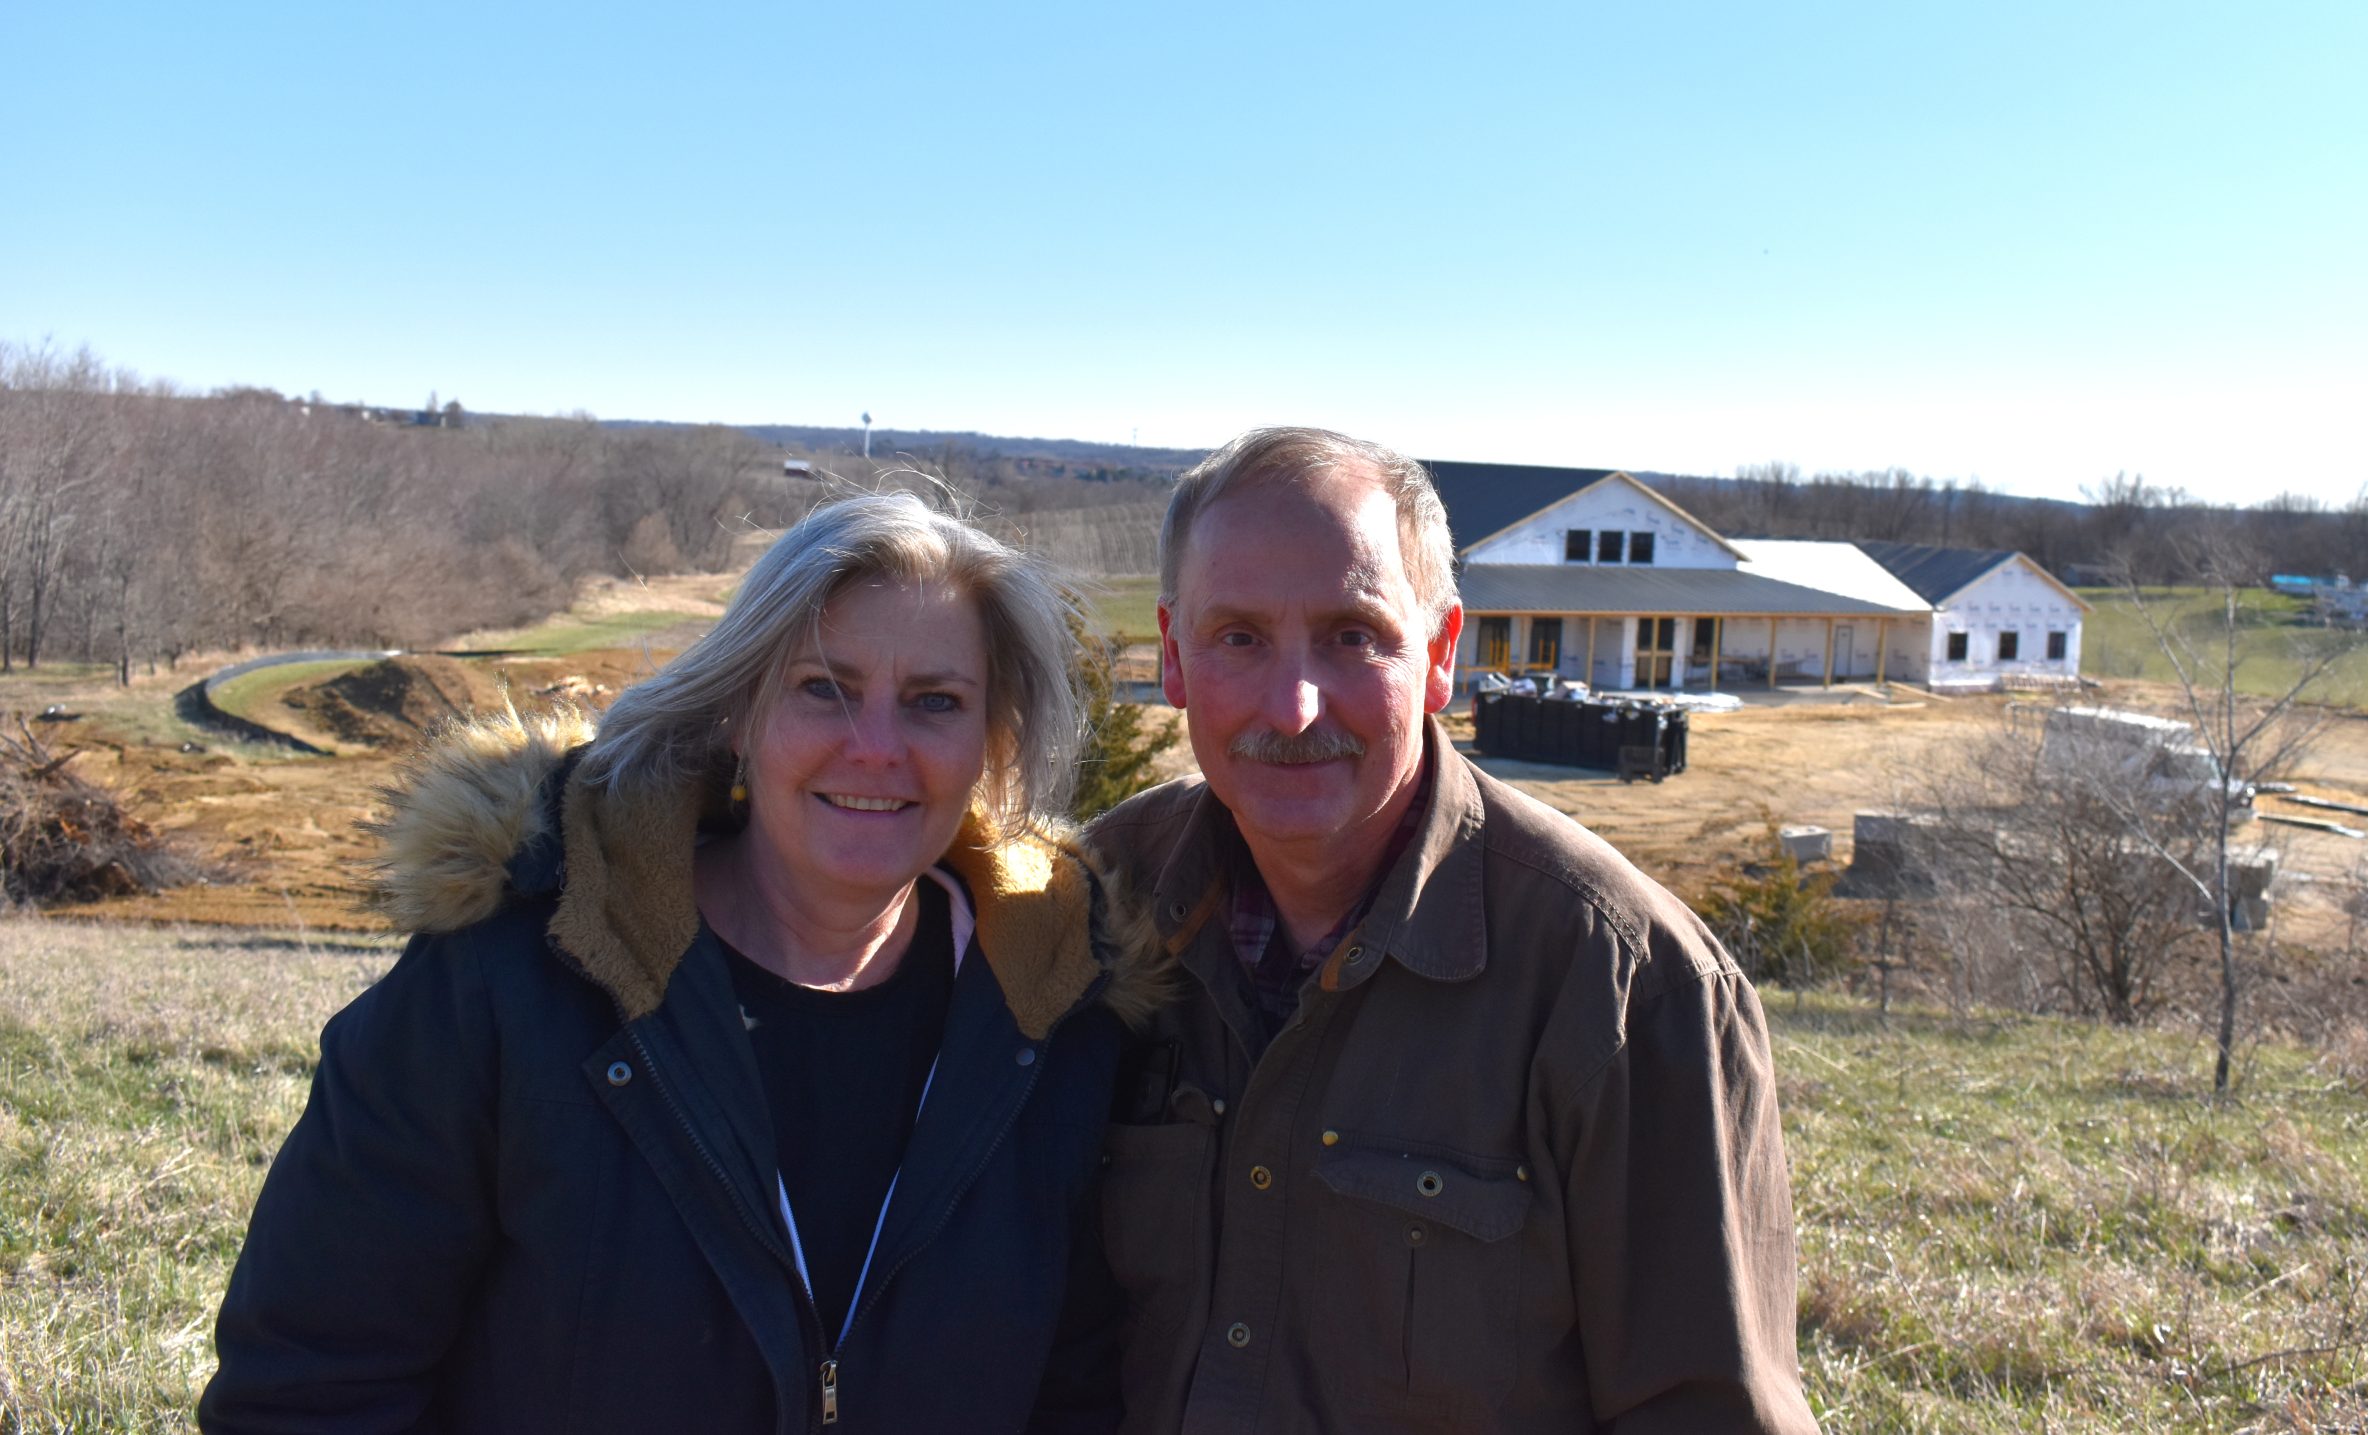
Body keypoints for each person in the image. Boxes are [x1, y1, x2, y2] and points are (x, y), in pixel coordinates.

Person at [202, 493, 1140, 1434]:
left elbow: (1079, 1397)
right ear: (739, 707)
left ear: (992, 743)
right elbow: (308, 1385)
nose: (877, 746)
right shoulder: (508, 983)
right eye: (825, 687)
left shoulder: (1050, 1019)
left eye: (936, 702)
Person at [1084, 428, 1822, 1433]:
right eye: (1240, 638)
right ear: (1173, 656)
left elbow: (1705, 1411)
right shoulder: (1086, 911)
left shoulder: (1626, 989)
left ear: (1439, 656)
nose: (1294, 708)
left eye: (1353, 634)